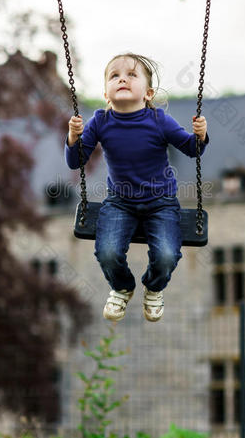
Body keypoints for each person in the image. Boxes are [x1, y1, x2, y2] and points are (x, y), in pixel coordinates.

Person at [65, 53, 209, 323]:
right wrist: (73, 137)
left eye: (132, 75)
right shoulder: (100, 121)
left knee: (166, 255)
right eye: (114, 75)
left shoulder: (159, 120)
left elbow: (192, 149)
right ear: (106, 94)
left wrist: (200, 135)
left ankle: (154, 288)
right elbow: (76, 161)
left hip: (161, 202)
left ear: (148, 92)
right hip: (120, 201)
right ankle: (122, 287)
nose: (122, 78)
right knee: (107, 252)